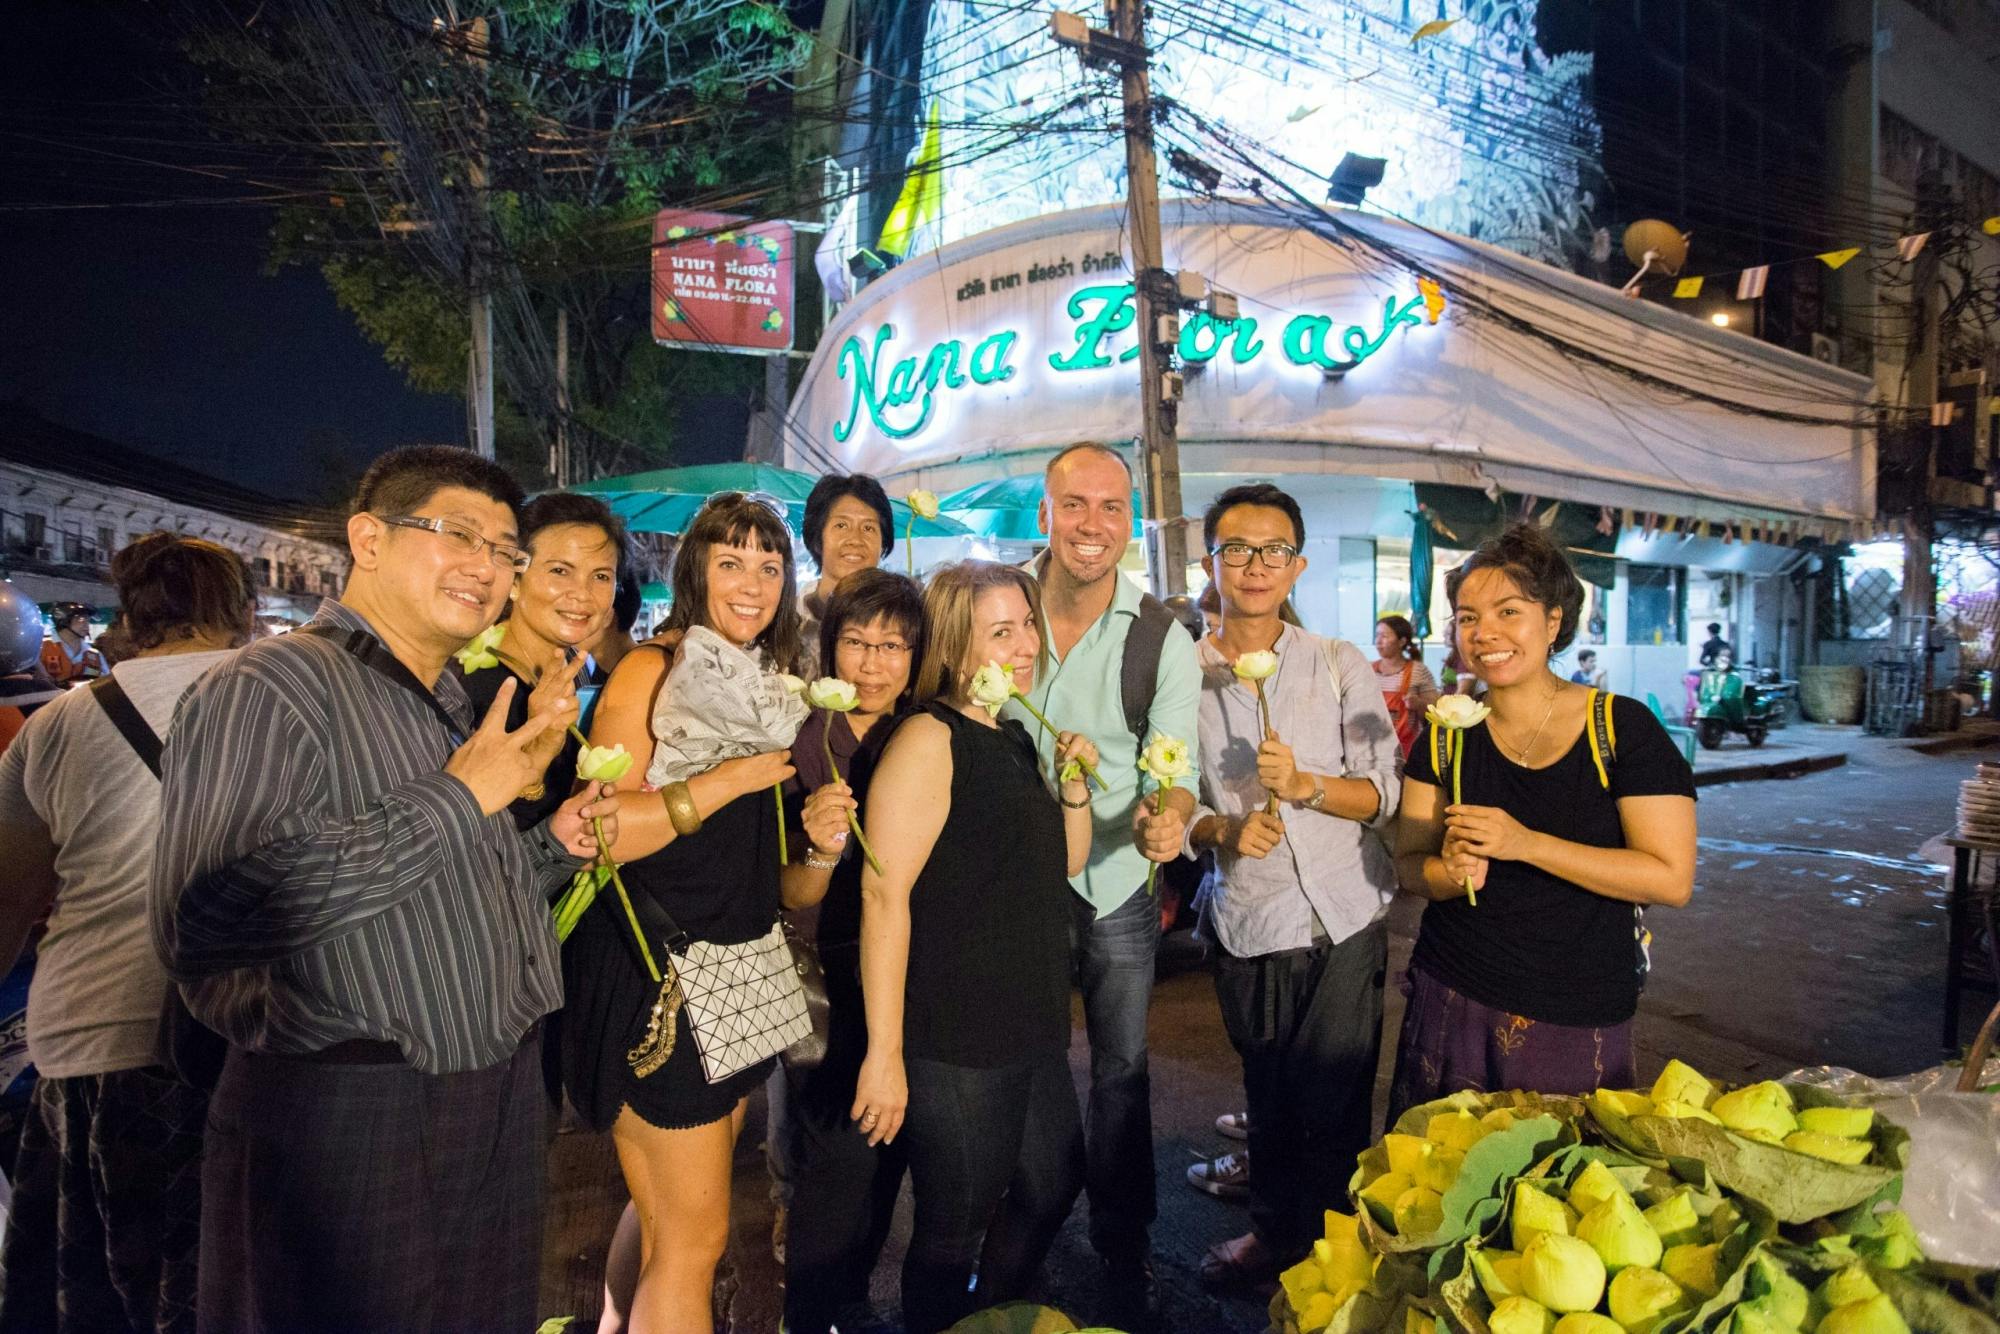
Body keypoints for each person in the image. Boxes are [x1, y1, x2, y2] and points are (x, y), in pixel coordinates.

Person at [150, 447, 620, 1334]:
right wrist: (460, 796)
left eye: (505, 550)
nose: (488, 567)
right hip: (351, 1109)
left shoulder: (439, 696)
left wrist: (550, 847)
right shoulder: (270, 685)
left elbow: (436, 888)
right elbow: (206, 919)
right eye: (458, 535)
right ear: (368, 539)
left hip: (489, 1095)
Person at [562, 491, 853, 1334]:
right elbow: (603, 830)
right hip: (660, 980)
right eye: (731, 561)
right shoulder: (652, 669)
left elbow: (782, 890)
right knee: (697, 1240)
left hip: (731, 979)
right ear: (695, 571)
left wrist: (823, 847)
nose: (753, 582)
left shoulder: (769, 687)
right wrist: (730, 777)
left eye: (769, 564)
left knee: (668, 1226)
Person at [0, 533, 255, 1334]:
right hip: (241, 1041)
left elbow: (12, 901)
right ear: (241, 611)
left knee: (101, 1301)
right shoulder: (279, 698)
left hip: (86, 1041)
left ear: (133, 615)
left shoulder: (57, 725)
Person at [850, 560, 1097, 1334]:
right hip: (954, 1031)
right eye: (1001, 631)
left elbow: (1069, 860)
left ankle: (990, 1317)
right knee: (952, 1225)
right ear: (957, 649)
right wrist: (884, 1053)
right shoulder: (930, 737)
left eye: (1027, 624)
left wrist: (1075, 783)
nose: (1025, 644)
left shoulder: (1016, 732)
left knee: (1052, 1184)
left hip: (1028, 1019)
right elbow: (882, 894)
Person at [1390, 523, 1697, 1123]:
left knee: (1555, 1196)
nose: (1486, 633)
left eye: (1509, 611)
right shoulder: (1447, 739)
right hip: (1453, 994)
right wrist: (1449, 873)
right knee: (1435, 1191)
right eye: (1468, 616)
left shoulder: (1622, 729)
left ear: (1553, 622)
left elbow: (1670, 879)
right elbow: (1408, 865)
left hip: (1575, 1009)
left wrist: (1525, 843)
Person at [1181, 484, 1403, 1287]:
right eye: (1236, 548)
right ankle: (1275, 1237)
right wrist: (1222, 830)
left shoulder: (1338, 663)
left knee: (1338, 1097)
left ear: (1298, 564)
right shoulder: (1185, 675)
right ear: (1212, 563)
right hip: (1252, 913)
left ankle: (1334, 1248)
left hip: (1347, 910)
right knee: (1270, 1092)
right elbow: (1167, 802)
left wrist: (1309, 786)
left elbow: (1385, 793)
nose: (1255, 565)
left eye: (1273, 550)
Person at [1011, 442, 1200, 1327]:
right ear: (1044, 512)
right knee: (1021, 1059)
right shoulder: (995, 608)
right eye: (1074, 505)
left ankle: (1124, 1242)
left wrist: (1171, 813)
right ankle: (1022, 1231)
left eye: (1111, 509)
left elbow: (1176, 765)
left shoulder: (1162, 633)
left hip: (1119, 878)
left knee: (1120, 1070)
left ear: (1132, 522)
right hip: (1012, 879)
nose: (1092, 526)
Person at [782, 569, 926, 1334]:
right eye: (856, 643)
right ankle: (811, 1313)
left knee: (891, 1154)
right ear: (828, 646)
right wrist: (817, 847)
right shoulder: (802, 740)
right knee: (837, 1157)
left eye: (892, 646)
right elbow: (790, 897)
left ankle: (854, 1300)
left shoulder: (928, 732)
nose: (873, 665)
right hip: (826, 978)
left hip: (910, 971)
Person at [799, 474, 894, 672]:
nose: (855, 540)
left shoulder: (899, 622)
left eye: (868, 528)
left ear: (882, 543)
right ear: (817, 538)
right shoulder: (792, 622)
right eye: (841, 526)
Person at [1373, 614, 1441, 755]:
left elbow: (1436, 711)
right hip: (1373, 748)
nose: (1379, 641)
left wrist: (1418, 704)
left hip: (1408, 750)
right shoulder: (1367, 670)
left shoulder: (1418, 670)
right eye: (1377, 635)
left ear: (1402, 641)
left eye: (1385, 636)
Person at [39, 603, 104, 687]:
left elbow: (105, 682)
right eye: (80, 620)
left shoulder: (94, 654)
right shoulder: (41, 648)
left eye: (88, 621)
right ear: (64, 621)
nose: (86, 625)